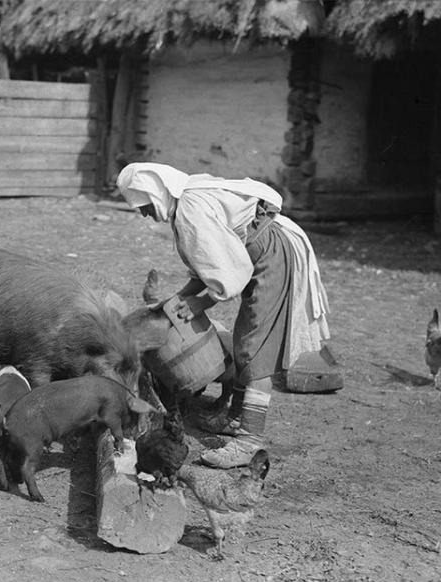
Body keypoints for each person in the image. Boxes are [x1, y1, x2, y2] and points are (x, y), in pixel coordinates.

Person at [115, 163, 340, 470]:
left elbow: (227, 278)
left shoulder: (191, 211)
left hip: (270, 256)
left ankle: (248, 442)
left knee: (254, 348)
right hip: (256, 254)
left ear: (156, 192)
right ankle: (235, 417)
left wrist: (199, 304)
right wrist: (181, 297)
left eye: (143, 205)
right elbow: (208, 264)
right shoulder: (186, 203)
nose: (143, 214)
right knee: (246, 338)